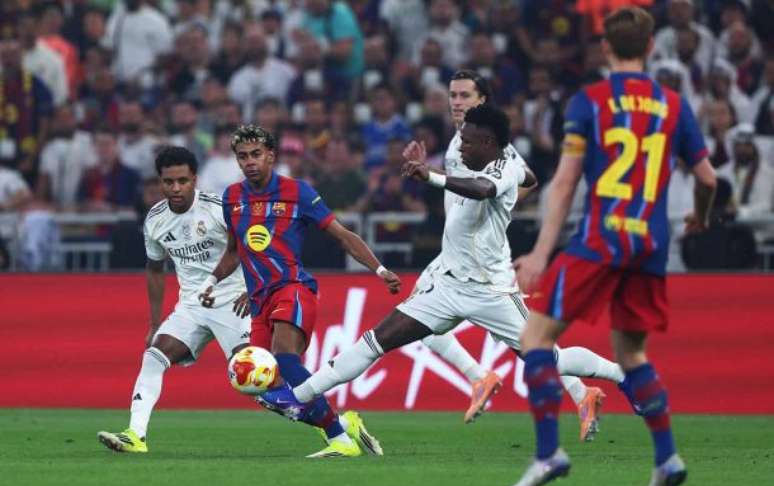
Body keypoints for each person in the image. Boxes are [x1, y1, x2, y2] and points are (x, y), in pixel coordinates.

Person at [260, 104, 628, 447]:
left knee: (550, 359)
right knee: (373, 342)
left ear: (488, 143)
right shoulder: (488, 161)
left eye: (468, 141)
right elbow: (528, 176)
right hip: (446, 285)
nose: (461, 146)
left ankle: (621, 374)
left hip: (489, 291)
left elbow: (484, 190)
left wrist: (432, 176)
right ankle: (299, 396)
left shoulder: (503, 168)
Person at [505, 7, 717, 486]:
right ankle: (667, 458)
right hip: (650, 246)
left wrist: (540, 253)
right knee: (632, 354)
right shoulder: (673, 105)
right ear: (650, 47)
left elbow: (564, 182)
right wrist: (701, 216)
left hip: (601, 240)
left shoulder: (590, 102)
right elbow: (708, 179)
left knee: (535, 339)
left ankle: (548, 454)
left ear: (606, 48)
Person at [402, 69, 622, 434]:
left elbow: (525, 177)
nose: (457, 102)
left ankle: (494, 378)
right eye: (453, 95)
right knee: (430, 320)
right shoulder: (460, 142)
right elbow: (505, 181)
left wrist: (499, 209)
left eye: (465, 96)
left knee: (530, 344)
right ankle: (568, 390)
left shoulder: (490, 144)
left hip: (481, 258)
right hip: (459, 252)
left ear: (482, 101)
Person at [200, 125, 400, 458]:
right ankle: (342, 425)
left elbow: (342, 235)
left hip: (293, 288)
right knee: (258, 384)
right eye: (243, 156)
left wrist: (379, 270)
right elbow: (236, 251)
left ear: (271, 156)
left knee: (284, 357)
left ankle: (340, 441)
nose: (250, 162)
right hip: (259, 300)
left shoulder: (298, 192)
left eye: (256, 154)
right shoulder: (232, 197)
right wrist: (211, 282)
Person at [97, 146, 251, 453]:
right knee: (154, 355)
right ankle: (135, 435)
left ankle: (332, 425)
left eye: (183, 180)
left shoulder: (218, 209)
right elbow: (155, 269)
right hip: (192, 306)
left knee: (253, 381)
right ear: (160, 182)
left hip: (234, 302)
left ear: (195, 179)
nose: (176, 188)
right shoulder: (156, 220)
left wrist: (254, 290)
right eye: (169, 182)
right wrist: (155, 324)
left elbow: (252, 249)